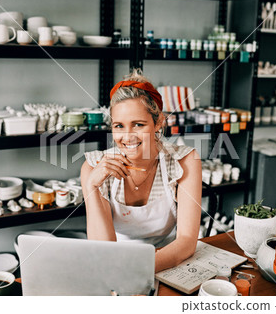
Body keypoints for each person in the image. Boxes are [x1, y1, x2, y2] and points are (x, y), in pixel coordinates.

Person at [81, 69, 202, 273]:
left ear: (158, 123)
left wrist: (139, 268)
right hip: (115, 262)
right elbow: (102, 248)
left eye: (138, 124)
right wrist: (92, 185)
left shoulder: (185, 161)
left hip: (169, 259)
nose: (127, 136)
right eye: (119, 126)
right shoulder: (94, 167)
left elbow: (187, 241)